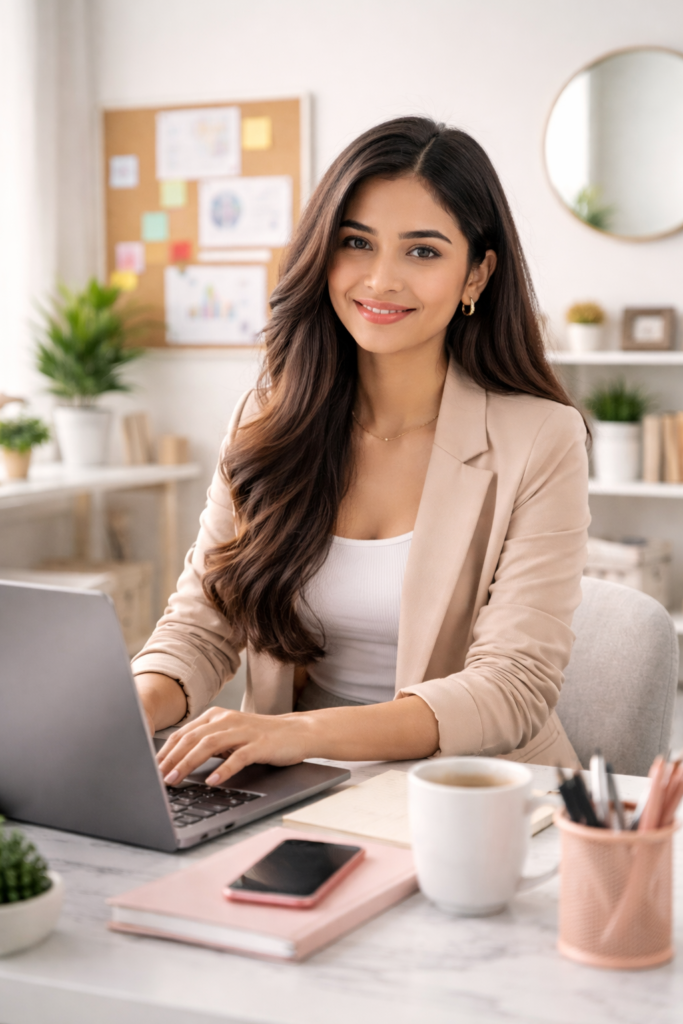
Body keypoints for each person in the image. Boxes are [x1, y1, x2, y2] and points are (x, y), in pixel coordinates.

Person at [134, 116, 589, 787]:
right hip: (295, 787)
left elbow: (511, 686)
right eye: (356, 243)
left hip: (472, 793)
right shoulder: (267, 419)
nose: (380, 279)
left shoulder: (541, 438)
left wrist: (298, 734)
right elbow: (204, 623)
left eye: (423, 252)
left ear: (476, 275)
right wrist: (129, 708)